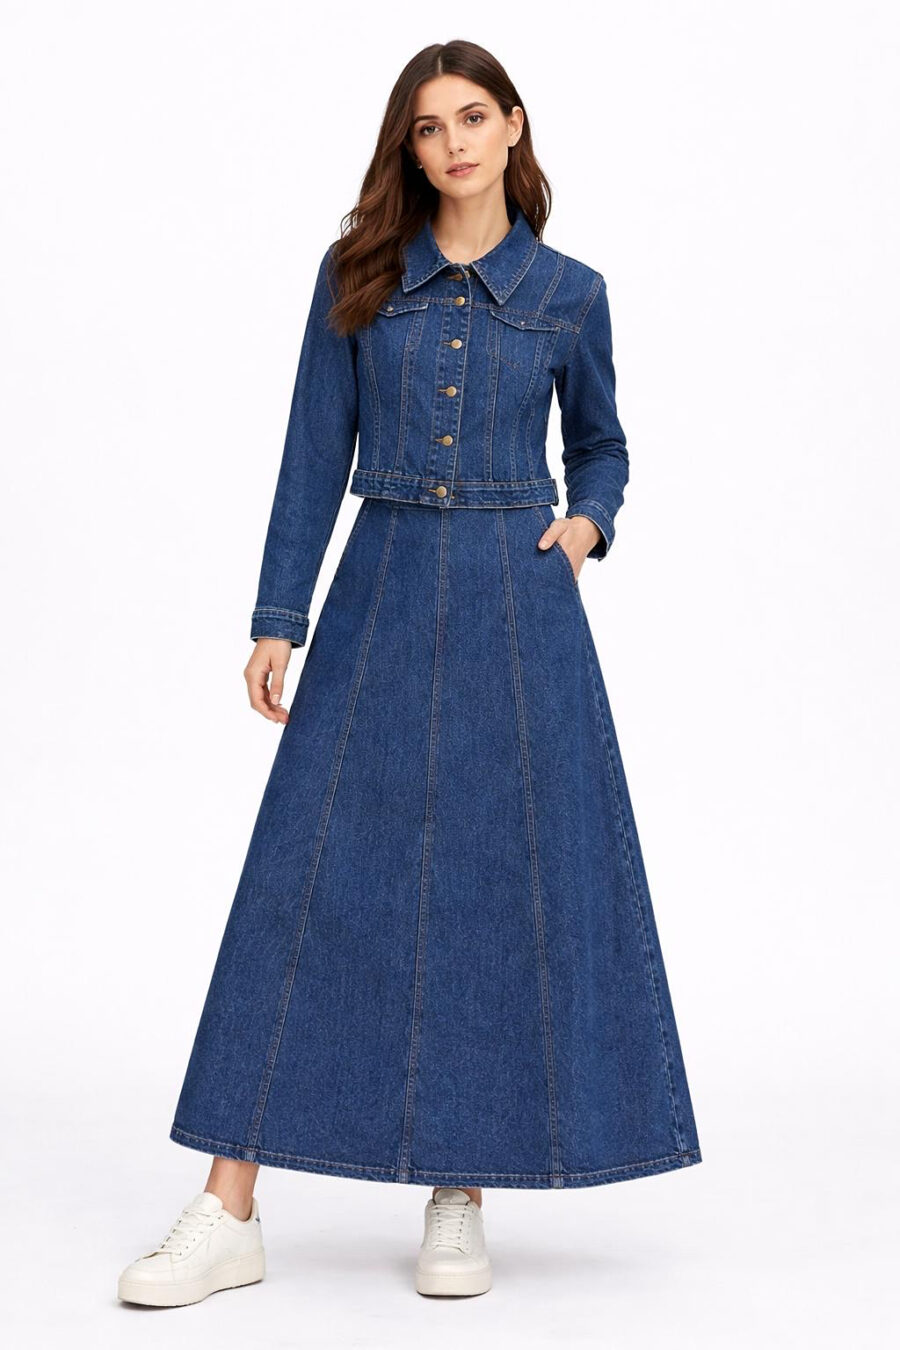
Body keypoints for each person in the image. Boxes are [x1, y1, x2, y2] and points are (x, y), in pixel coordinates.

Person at [116, 38, 701, 1308]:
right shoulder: (360, 277)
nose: (453, 145)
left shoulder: (571, 293)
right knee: (301, 884)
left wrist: (586, 524)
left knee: (491, 887)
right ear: (410, 147)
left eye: (472, 118)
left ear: (514, 125)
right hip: (380, 584)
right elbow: (310, 452)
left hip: (516, 603)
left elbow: (603, 444)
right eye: (430, 128)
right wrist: (278, 617)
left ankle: (460, 1189)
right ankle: (228, 1208)